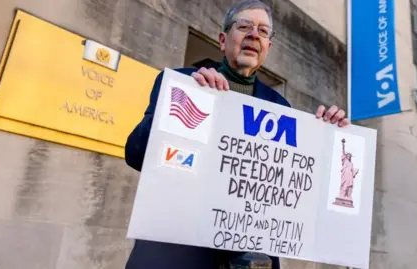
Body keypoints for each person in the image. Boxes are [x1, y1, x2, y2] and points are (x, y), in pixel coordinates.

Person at [124, 1, 350, 269]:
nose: (254, 35)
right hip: (176, 253)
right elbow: (136, 154)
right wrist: (185, 101)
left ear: (267, 47)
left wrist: (328, 135)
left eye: (263, 31)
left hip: (249, 259)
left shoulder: (280, 108)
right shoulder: (182, 84)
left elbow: (295, 187)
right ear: (223, 40)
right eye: (244, 26)